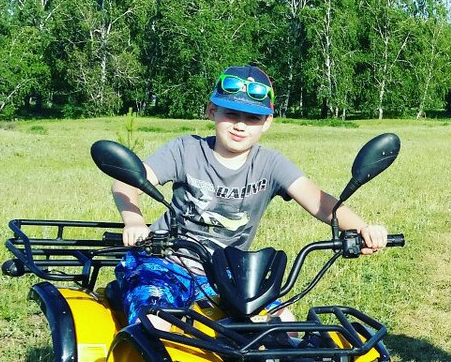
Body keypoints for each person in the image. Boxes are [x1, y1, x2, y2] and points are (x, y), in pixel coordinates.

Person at [111, 64, 388, 326]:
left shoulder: (270, 163)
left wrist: (363, 229)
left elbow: (320, 202)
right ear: (211, 111)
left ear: (267, 122)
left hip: (226, 275)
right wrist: (134, 221)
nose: (240, 126)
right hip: (162, 263)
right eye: (231, 113)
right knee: (155, 322)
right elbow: (125, 183)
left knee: (284, 326)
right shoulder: (186, 150)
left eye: (252, 118)